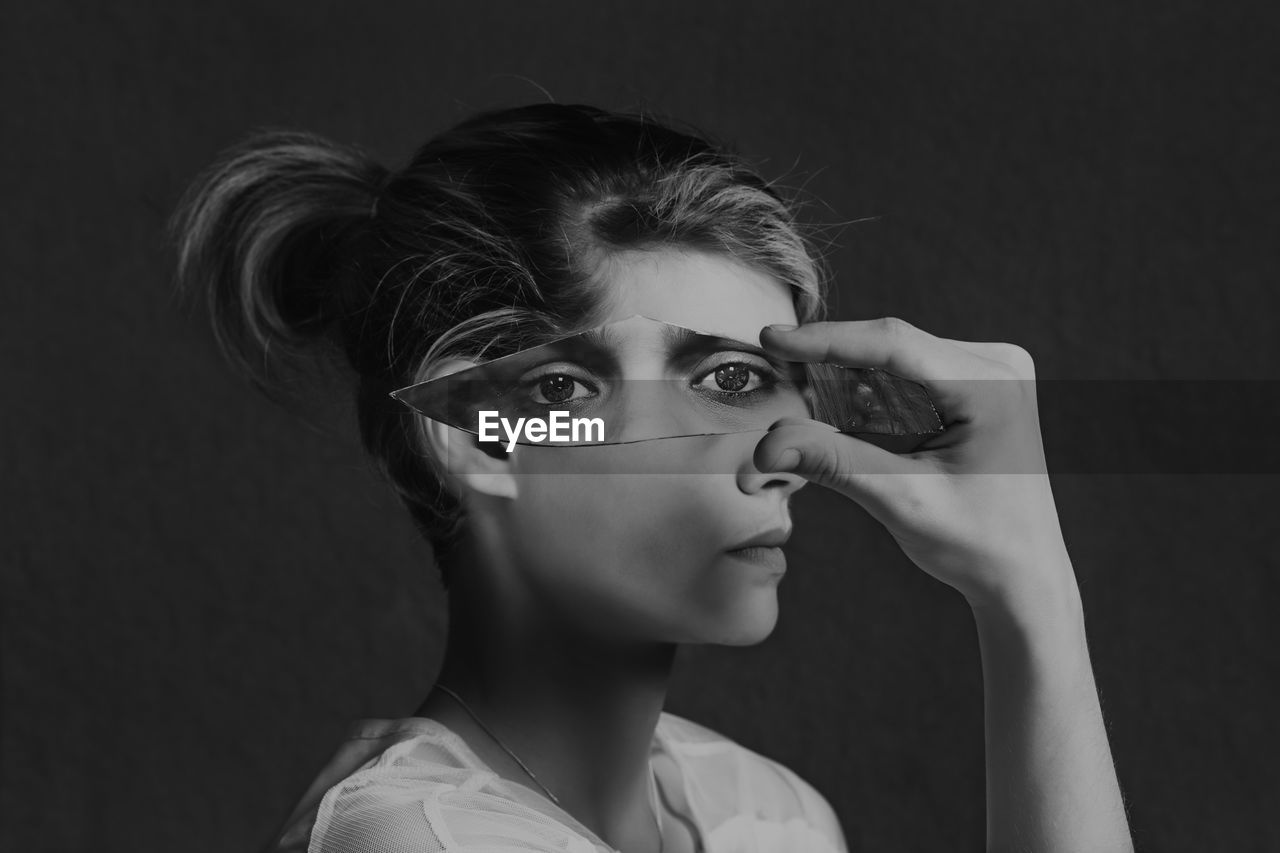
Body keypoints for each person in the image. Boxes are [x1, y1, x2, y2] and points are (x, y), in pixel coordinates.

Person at [172, 103, 1133, 853]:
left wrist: (1029, 597)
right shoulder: (421, 839)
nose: (790, 456)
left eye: (781, 387)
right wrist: (1032, 603)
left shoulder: (770, 817)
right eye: (727, 382)